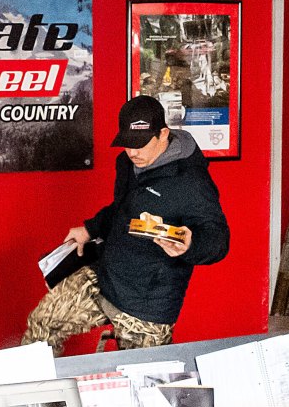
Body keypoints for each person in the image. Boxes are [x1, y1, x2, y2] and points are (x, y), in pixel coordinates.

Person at [23, 95, 229, 353]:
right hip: (106, 276)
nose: (132, 152)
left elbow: (218, 238)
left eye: (140, 144)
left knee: (141, 380)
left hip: (147, 302)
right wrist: (90, 228)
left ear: (163, 134)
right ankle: (42, 394)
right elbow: (123, 208)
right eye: (127, 144)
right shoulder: (128, 163)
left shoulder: (191, 181)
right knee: (42, 324)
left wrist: (191, 244)